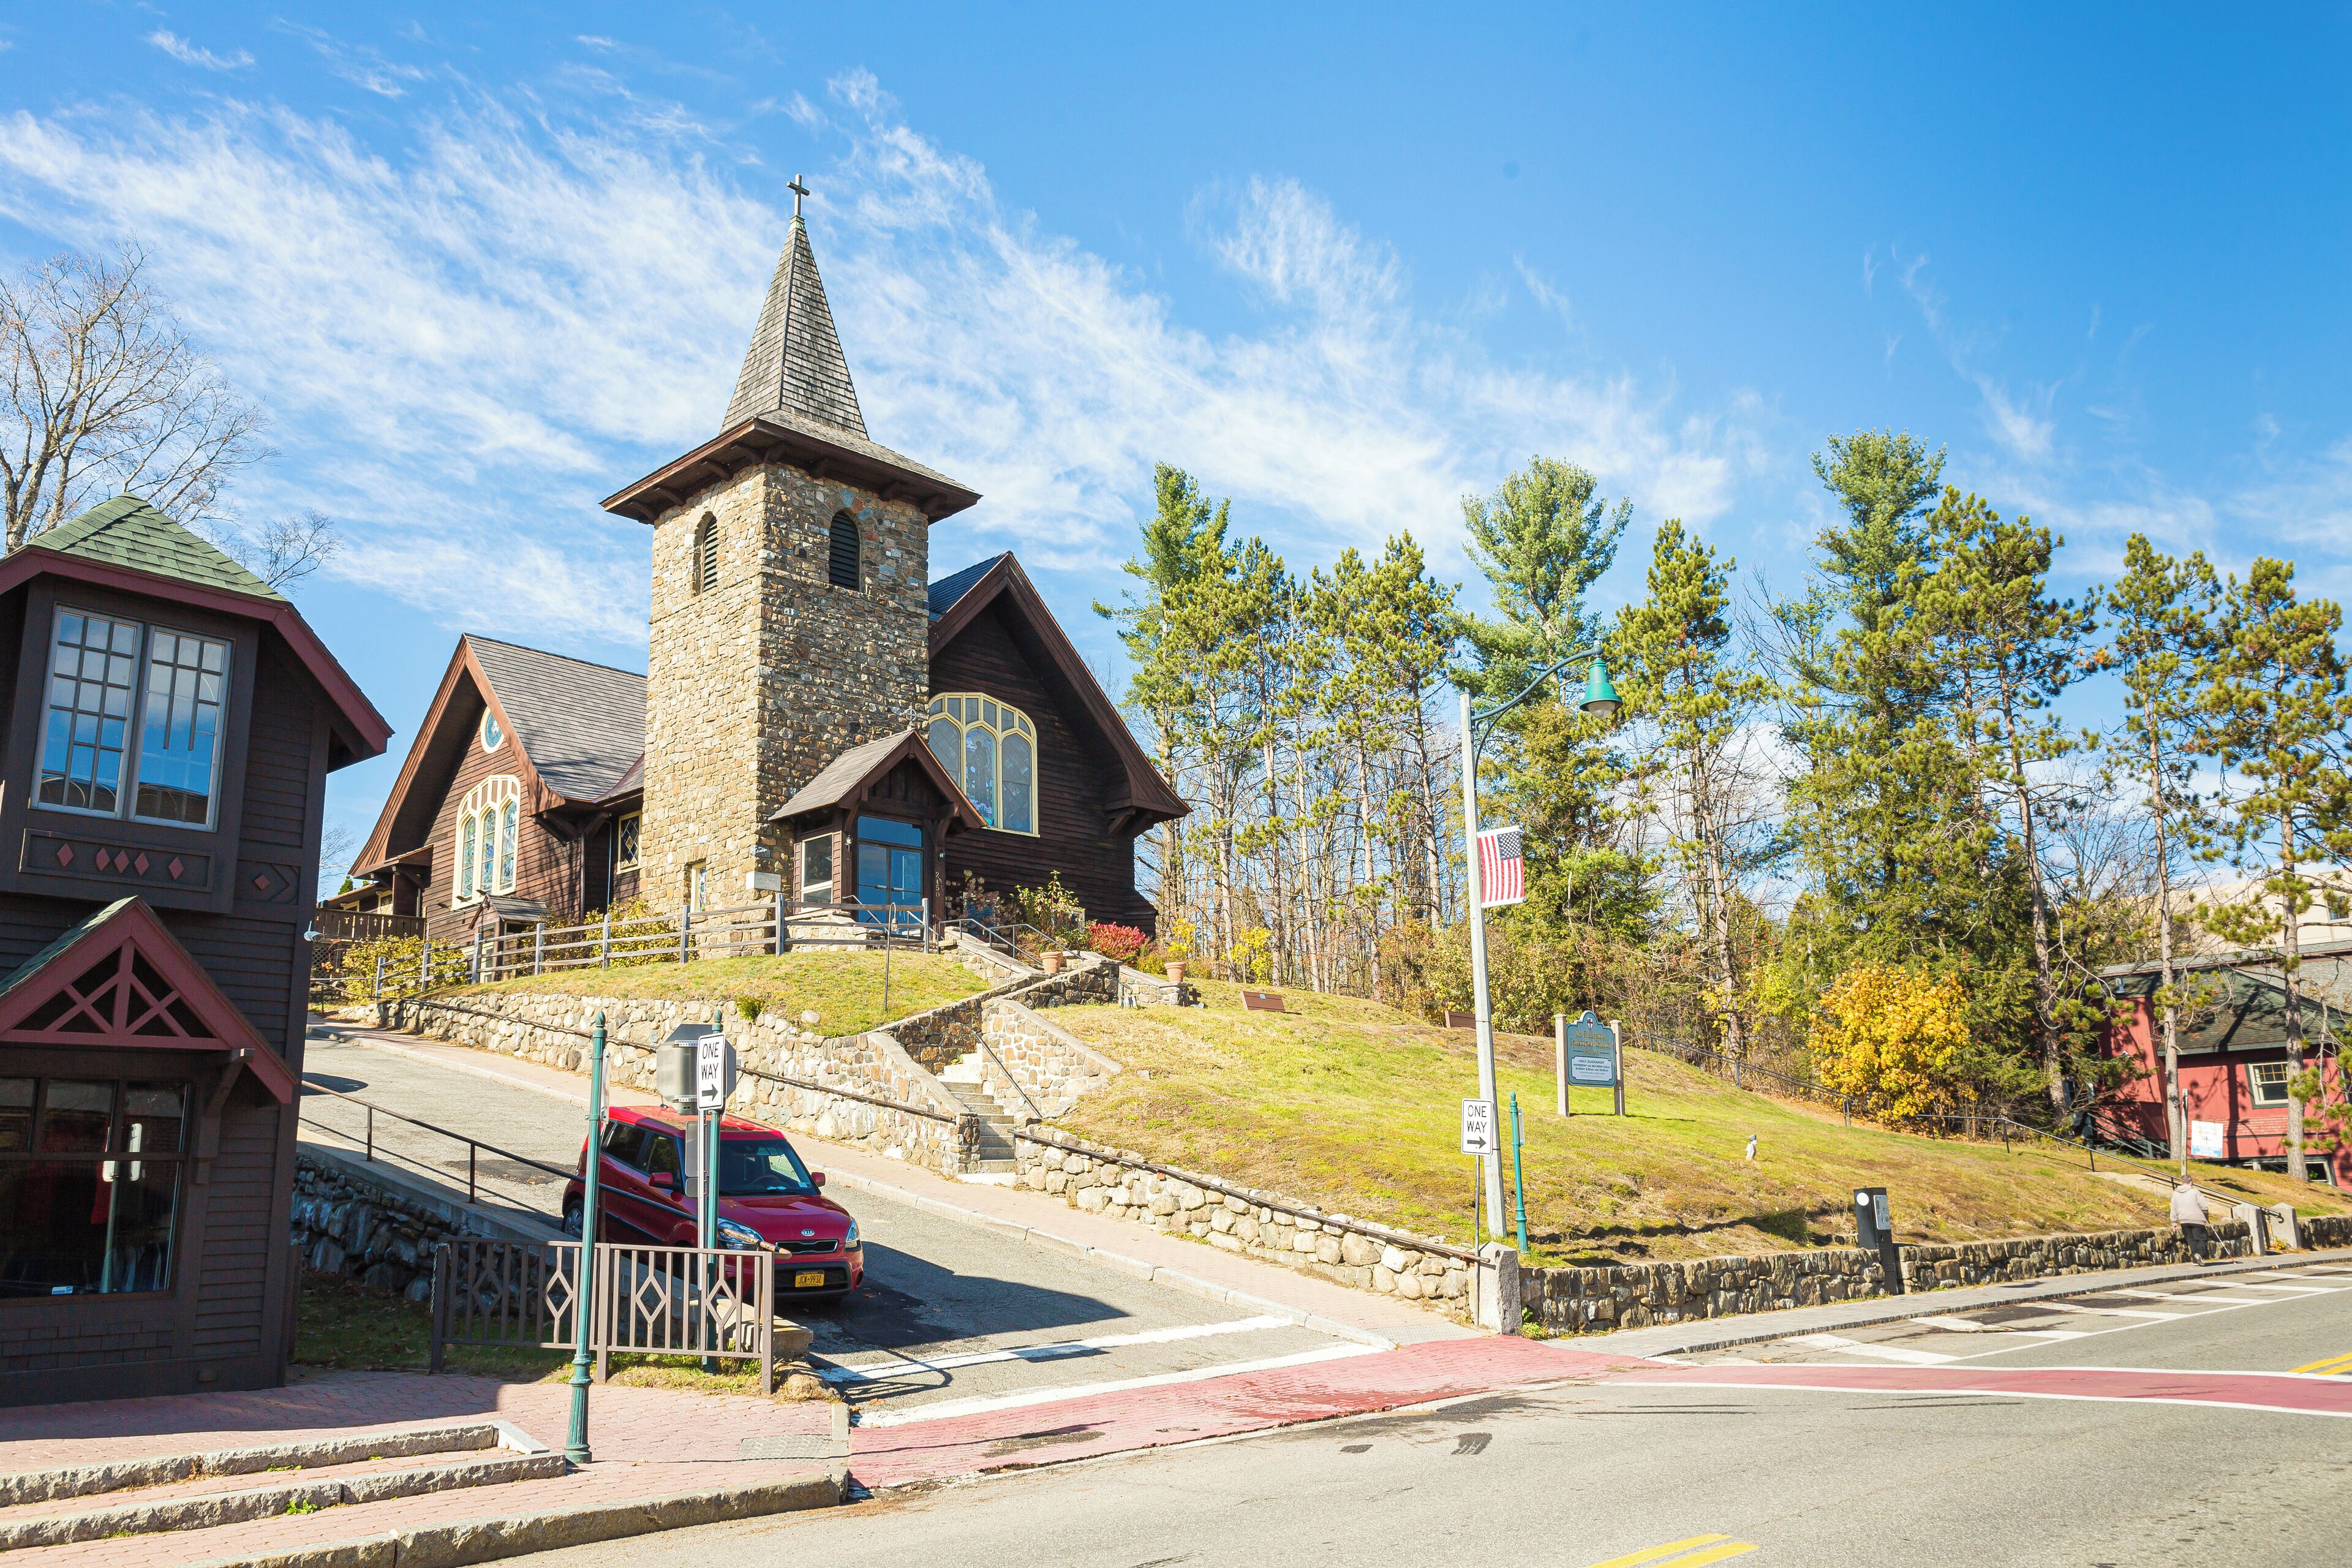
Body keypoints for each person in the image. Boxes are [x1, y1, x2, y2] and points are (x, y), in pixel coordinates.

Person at [2172, 1180, 2212, 1263]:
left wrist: (2174, 1222)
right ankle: (2199, 1254)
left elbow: (2174, 1208)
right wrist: (2206, 1216)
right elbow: (2204, 1206)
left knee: (2191, 1240)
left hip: (2184, 1221)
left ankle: (2195, 1260)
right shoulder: (2195, 1192)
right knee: (2201, 1239)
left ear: (2182, 1182)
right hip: (2197, 1220)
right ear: (2191, 1182)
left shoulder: (2176, 1193)